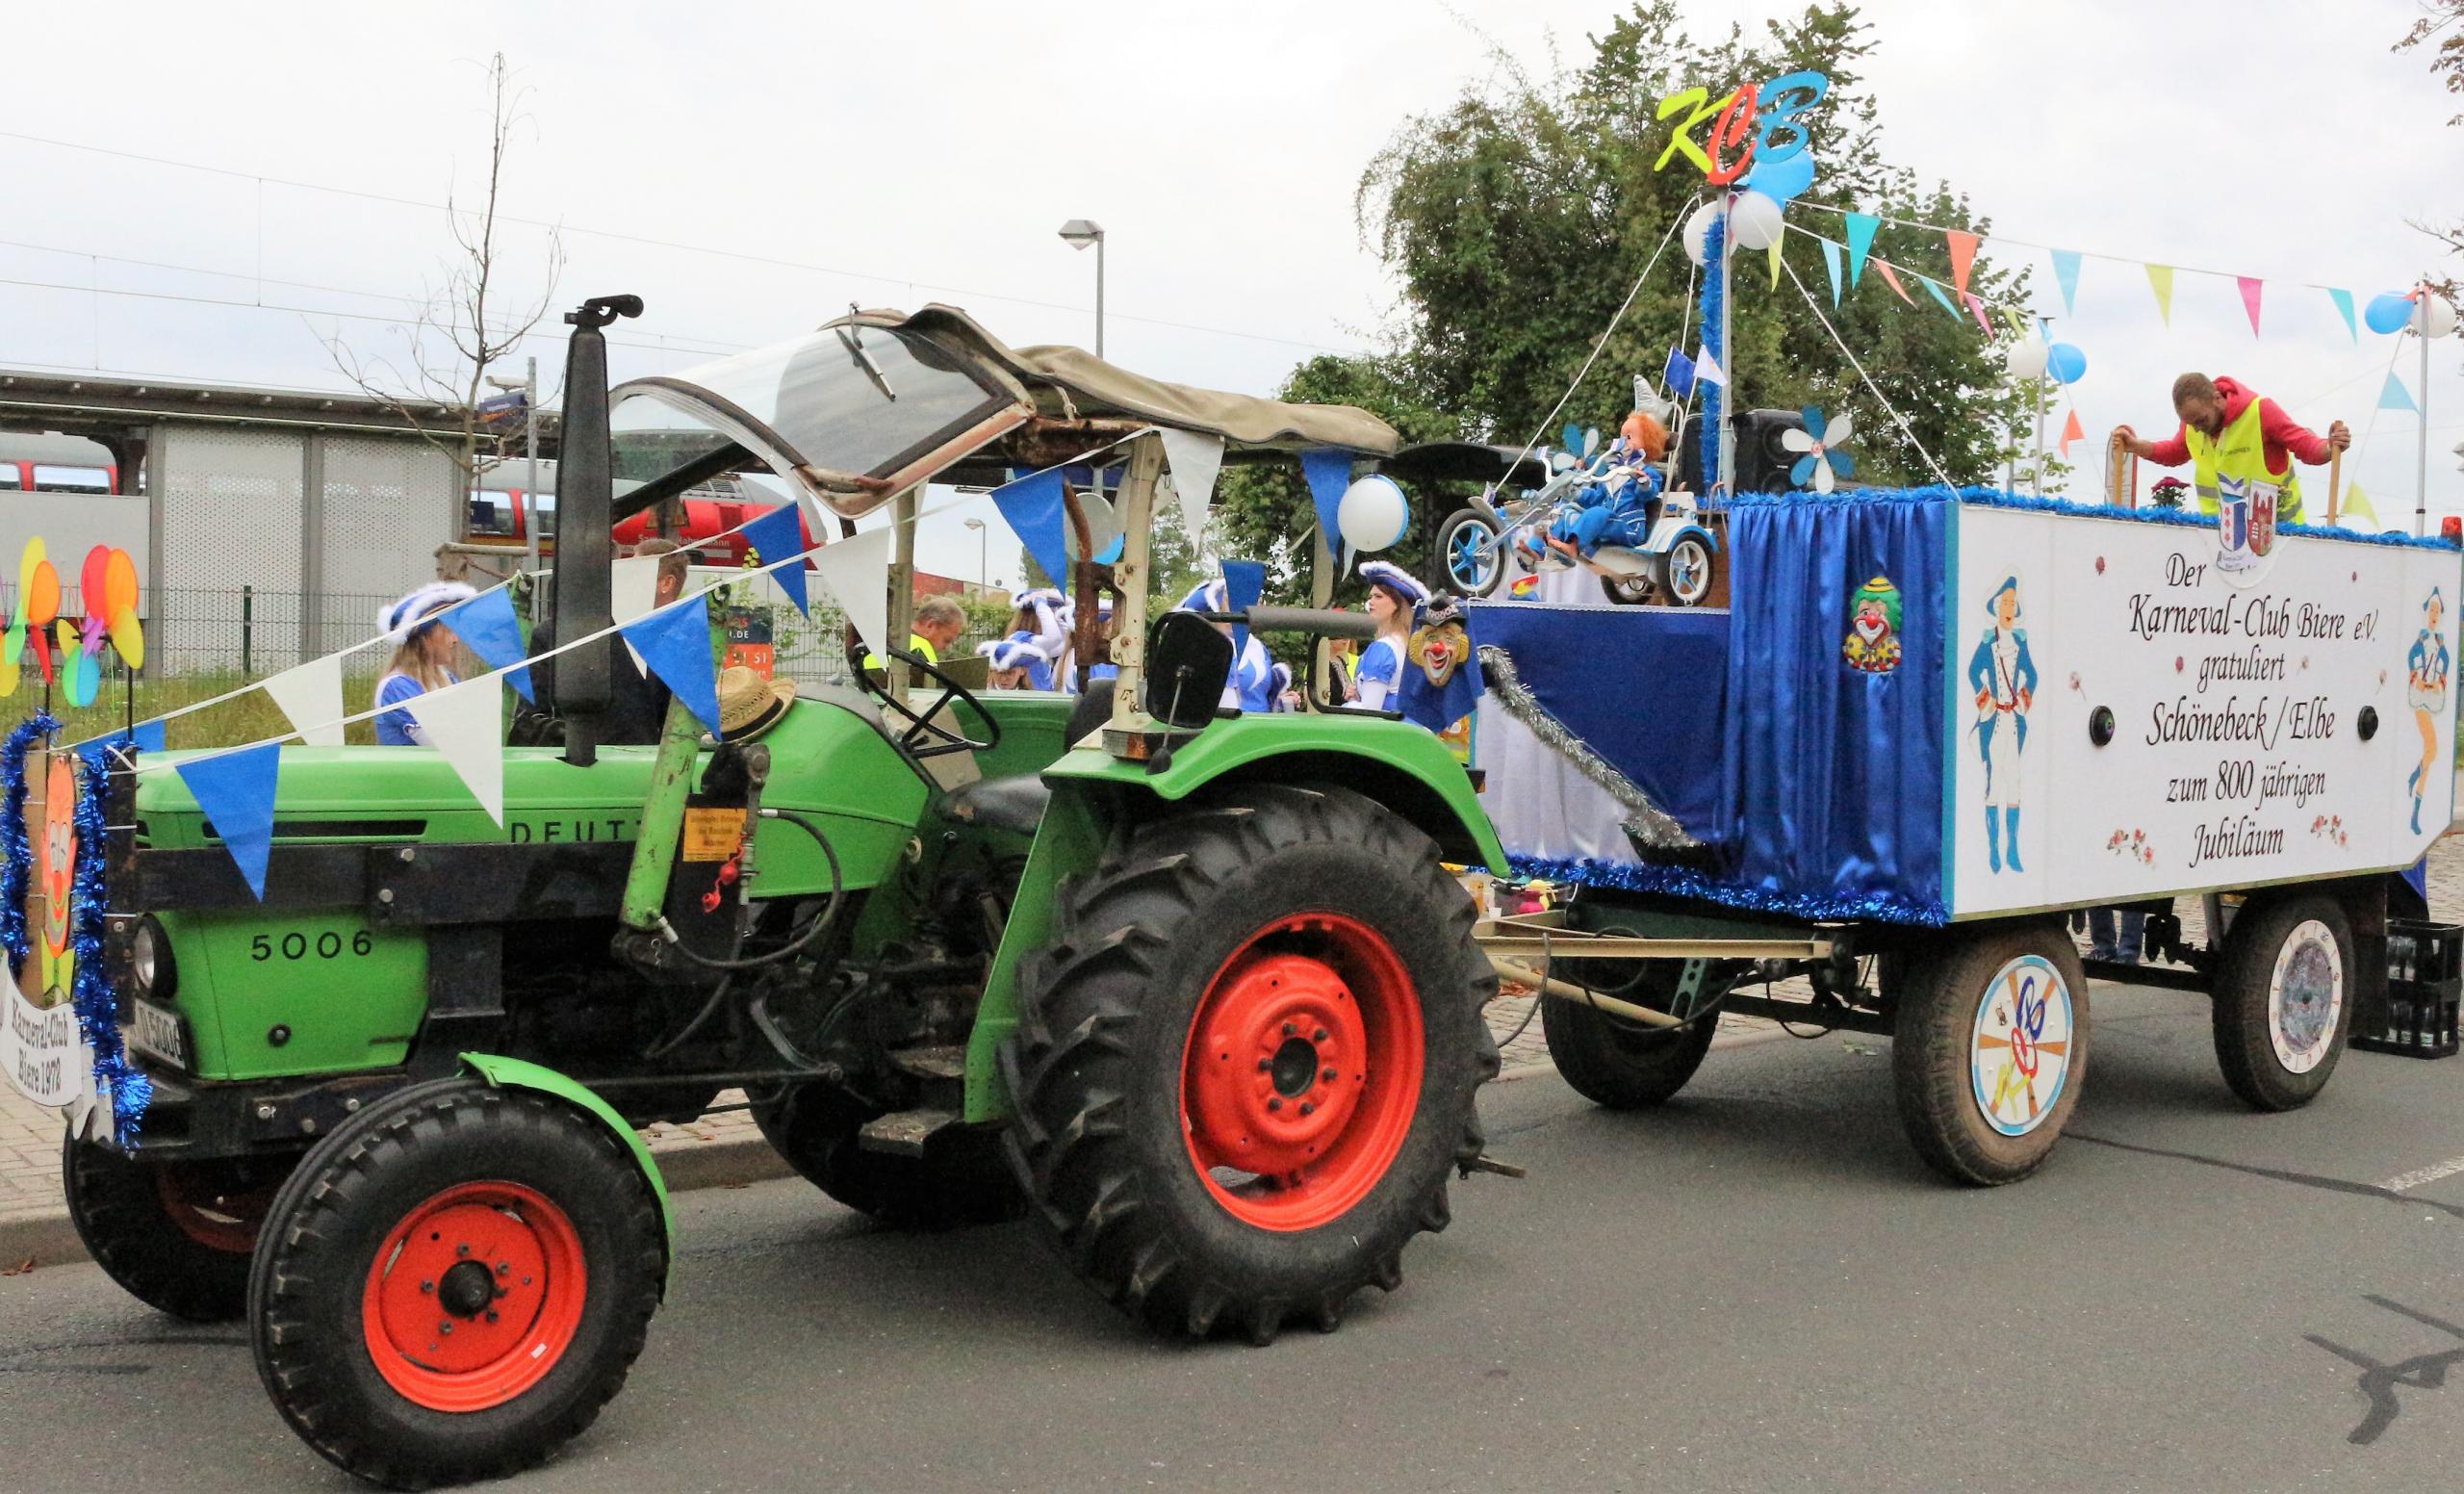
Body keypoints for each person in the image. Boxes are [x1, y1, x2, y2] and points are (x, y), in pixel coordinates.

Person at [2115, 374, 2350, 524]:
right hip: (2220, 539)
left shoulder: (2261, 412)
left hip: (2277, 534)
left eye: (2200, 420)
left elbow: (2306, 446)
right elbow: (2174, 452)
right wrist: (2136, 446)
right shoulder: (2193, 426)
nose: (2196, 429)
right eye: (2190, 422)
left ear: (2217, 399)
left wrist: (2331, 447)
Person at [526, 538, 689, 745]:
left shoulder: (674, 640)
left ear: (666, 583)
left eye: (636, 572)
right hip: (582, 762)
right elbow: (532, 716)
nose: (624, 579)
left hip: (633, 762)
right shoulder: (553, 633)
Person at [1966, 576, 2036, 874]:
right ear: (1996, 607)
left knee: (2015, 783)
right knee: (1994, 783)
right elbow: (1972, 671)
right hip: (1993, 721)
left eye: (2012, 602)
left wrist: (2023, 695)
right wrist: (1986, 698)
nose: (2008, 607)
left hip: (2013, 721)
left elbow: (2031, 675)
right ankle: (1993, 850)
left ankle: (2013, 850)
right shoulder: (1987, 641)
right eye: (2004, 602)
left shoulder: (2020, 641)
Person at [374, 580, 476, 746]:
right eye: (449, 631)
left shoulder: (447, 678)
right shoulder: (396, 686)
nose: (456, 639)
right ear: (425, 637)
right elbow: (446, 745)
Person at [1173, 579, 1274, 712]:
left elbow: (1262, 695)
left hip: (1261, 727)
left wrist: (1281, 700)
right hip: (1228, 727)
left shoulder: (1257, 647)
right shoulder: (1207, 647)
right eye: (1229, 599)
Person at [1351, 560, 1427, 712]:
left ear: (1397, 605)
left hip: (1392, 733)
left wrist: (1350, 704)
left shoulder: (1384, 648)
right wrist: (1357, 695)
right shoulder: (1412, 644)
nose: (1370, 602)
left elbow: (1369, 711)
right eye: (1371, 597)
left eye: (1378, 597)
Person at [2409, 588, 2450, 835]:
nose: (2434, 614)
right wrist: (2419, 681)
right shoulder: (2421, 639)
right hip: (2421, 698)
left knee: (2430, 753)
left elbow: (2444, 669)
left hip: (2432, 696)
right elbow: (2412, 661)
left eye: (2437, 611)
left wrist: (2438, 683)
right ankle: (2415, 778)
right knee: (2432, 749)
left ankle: (2416, 798)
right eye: (2431, 610)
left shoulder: (2441, 641)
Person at [860, 594, 968, 672]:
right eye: (947, 640)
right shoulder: (919, 650)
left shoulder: (888, 640)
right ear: (930, 625)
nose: (947, 647)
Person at [978, 635, 1055, 691]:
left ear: (1023, 671)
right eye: (998, 673)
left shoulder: (1031, 697)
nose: (1003, 679)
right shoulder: (980, 695)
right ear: (991, 670)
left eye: (1010, 673)